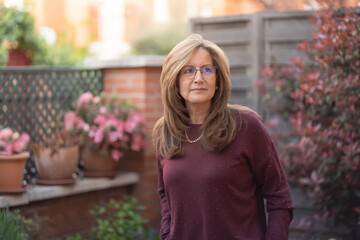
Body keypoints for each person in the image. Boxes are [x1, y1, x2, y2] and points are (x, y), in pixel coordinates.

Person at [152, 33, 294, 240]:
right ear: (175, 81)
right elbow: (166, 196)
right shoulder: (165, 131)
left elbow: (279, 196)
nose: (198, 78)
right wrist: (167, 234)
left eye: (207, 69)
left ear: (218, 80)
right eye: (188, 71)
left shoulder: (245, 126)